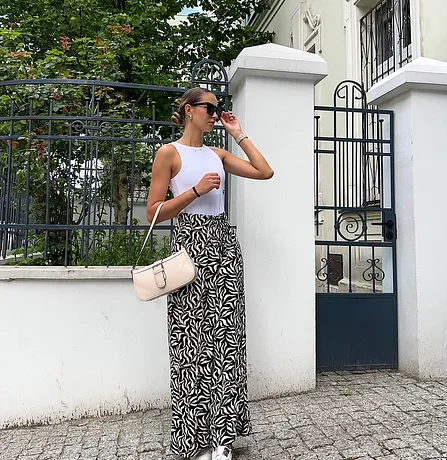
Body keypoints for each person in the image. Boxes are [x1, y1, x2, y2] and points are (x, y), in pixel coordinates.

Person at [146, 87, 274, 460]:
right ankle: (194, 441)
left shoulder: (218, 154)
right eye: (210, 108)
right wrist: (195, 191)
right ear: (189, 110)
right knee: (189, 345)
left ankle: (223, 439)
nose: (216, 115)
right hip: (188, 247)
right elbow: (154, 211)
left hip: (223, 248)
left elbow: (264, 171)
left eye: (218, 110)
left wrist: (239, 133)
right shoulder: (169, 153)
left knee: (226, 342)